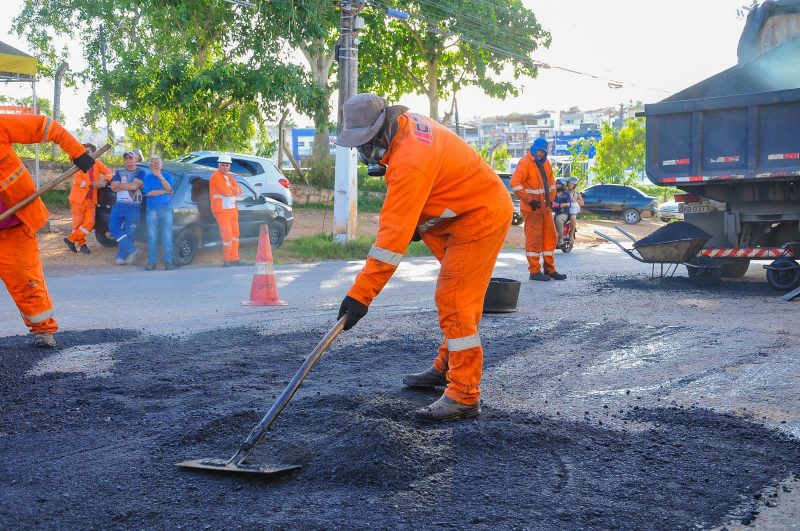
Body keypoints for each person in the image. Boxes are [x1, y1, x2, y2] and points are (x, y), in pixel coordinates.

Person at [334, 93, 513, 423]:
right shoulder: (406, 129)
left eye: (368, 144)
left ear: (385, 129)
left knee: (454, 298)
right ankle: (448, 366)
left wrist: (360, 295)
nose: (365, 153)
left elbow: (390, 243)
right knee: (459, 298)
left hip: (478, 216)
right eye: (358, 146)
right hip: (458, 212)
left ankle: (463, 394)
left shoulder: (409, 161)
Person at [0, 114, 95, 347]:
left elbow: (46, 126)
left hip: (13, 225)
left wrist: (78, 152)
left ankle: (43, 331)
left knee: (27, 282)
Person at [510, 138, 567, 281]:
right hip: (532, 209)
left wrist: (551, 200)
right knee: (534, 240)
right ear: (534, 149)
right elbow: (515, 183)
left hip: (545, 208)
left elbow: (552, 184)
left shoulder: (546, 163)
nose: (541, 154)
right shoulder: (525, 163)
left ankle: (549, 269)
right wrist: (530, 200)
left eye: (543, 152)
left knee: (550, 238)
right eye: (539, 151)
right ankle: (534, 271)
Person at [63, 142, 113, 254]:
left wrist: (105, 180)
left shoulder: (98, 163)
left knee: (90, 223)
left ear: (94, 153)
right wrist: (92, 184)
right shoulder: (78, 164)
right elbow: (77, 181)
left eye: (87, 152)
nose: (84, 154)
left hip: (91, 200)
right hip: (77, 199)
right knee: (78, 224)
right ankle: (82, 245)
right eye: (83, 152)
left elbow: (109, 172)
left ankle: (71, 239)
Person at [209, 153, 246, 267]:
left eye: (227, 165)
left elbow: (240, 191)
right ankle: (227, 260)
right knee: (227, 235)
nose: (225, 167)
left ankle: (235, 258)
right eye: (223, 165)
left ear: (229, 166)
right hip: (221, 211)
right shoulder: (215, 176)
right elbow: (226, 192)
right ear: (219, 165)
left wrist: (233, 190)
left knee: (235, 234)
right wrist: (233, 190)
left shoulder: (229, 176)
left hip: (232, 209)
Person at [110, 151, 146, 265]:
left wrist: (119, 185)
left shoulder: (141, 172)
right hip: (119, 204)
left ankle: (121, 257)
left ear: (135, 158)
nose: (128, 160)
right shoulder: (119, 171)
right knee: (113, 227)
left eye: (130, 158)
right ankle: (133, 250)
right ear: (124, 160)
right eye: (126, 158)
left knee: (128, 232)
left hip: (133, 205)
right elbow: (112, 187)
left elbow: (134, 186)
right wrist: (128, 186)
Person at [142, 155, 175, 271]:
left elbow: (169, 188)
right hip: (152, 210)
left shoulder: (167, 176)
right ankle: (152, 262)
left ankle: (168, 262)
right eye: (153, 163)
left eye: (158, 163)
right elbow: (149, 193)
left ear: (162, 165)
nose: (155, 164)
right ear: (150, 165)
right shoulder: (147, 178)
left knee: (167, 237)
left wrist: (160, 177)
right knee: (152, 237)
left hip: (166, 209)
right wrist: (165, 191)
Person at [552, 177, 571, 247]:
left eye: (558, 184)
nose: (556, 185)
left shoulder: (566, 194)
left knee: (558, 219)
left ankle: (561, 238)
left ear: (563, 185)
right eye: (556, 184)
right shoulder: (553, 193)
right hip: (553, 212)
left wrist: (565, 204)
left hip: (563, 213)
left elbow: (569, 203)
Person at [566, 177, 583, 244]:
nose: (570, 185)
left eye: (572, 184)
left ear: (575, 185)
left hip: (571, 211)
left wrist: (575, 200)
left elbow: (582, 203)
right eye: (569, 184)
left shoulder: (576, 193)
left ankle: (571, 235)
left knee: (573, 216)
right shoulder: (563, 191)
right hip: (562, 209)